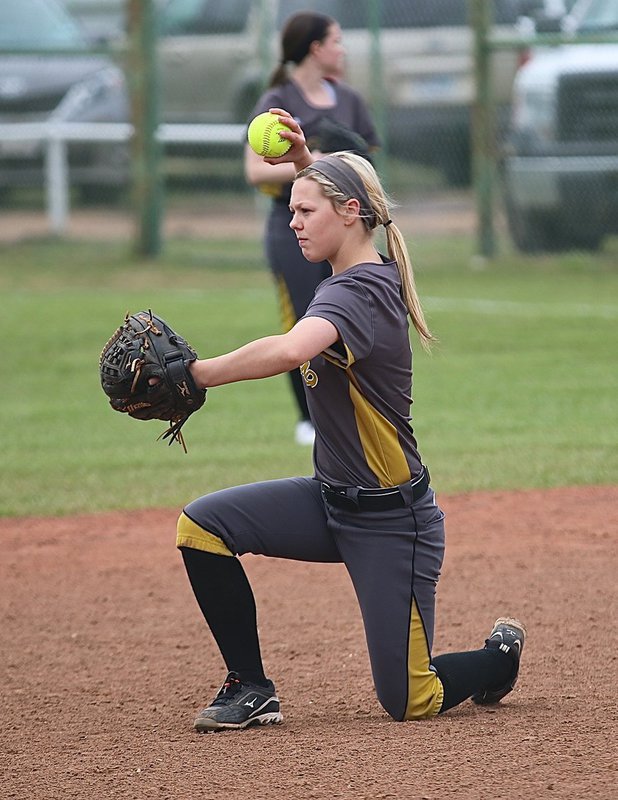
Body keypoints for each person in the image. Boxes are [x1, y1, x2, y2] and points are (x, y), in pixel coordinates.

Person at [178, 110, 526, 732]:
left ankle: (497, 661)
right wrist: (308, 165)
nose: (292, 221)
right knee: (201, 526)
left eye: (304, 211)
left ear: (348, 215)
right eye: (291, 208)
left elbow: (288, 352)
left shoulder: (358, 293)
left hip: (395, 523)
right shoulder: (346, 270)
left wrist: (199, 373)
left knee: (410, 699)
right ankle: (251, 687)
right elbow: (340, 207)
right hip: (330, 503)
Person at [244, 11, 380, 446]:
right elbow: (254, 171)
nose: (342, 49)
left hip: (346, 228)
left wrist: (335, 163)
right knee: (303, 320)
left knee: (354, 317)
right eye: (336, 41)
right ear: (316, 48)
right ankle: (309, 417)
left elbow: (368, 165)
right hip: (293, 227)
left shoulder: (351, 102)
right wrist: (316, 160)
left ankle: (353, 408)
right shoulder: (278, 101)